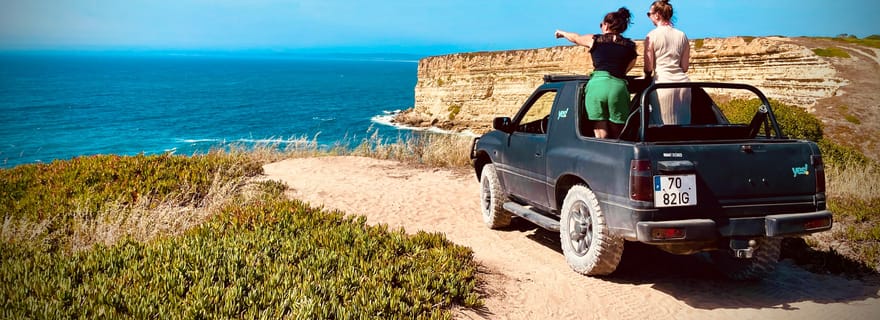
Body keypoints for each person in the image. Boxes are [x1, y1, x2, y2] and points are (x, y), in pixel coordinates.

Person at [556, 7, 637, 139]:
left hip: (597, 85)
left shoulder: (594, 39)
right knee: (619, 134)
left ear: (606, 25)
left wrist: (562, 33)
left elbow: (575, 38)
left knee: (600, 133)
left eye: (601, 25)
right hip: (618, 87)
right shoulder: (630, 46)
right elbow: (627, 68)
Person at [644, 0, 691, 125]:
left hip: (662, 84)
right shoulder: (682, 35)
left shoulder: (651, 36)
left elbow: (648, 67)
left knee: (662, 126)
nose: (649, 17)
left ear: (657, 15)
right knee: (683, 125)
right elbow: (684, 67)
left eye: (649, 14)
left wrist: (647, 77)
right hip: (683, 84)